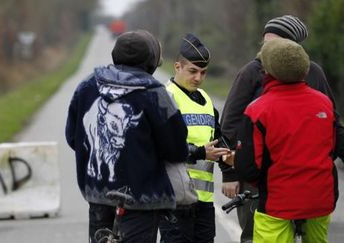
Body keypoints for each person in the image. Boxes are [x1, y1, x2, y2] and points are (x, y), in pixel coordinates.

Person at [219, 15, 344, 243]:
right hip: (261, 173)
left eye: (273, 43)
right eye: (264, 42)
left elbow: (334, 127)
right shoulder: (250, 72)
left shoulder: (314, 73)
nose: (265, 49)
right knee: (251, 233)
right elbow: (230, 123)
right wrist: (230, 173)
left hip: (303, 178)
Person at [65, 30, 189, 243]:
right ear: (150, 61)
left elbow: (73, 137)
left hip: (98, 191)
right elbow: (177, 148)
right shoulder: (156, 94)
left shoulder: (86, 86)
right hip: (143, 198)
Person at [159, 33, 232, 243]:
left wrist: (230, 159)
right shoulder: (166, 97)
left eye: (203, 72)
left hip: (204, 201)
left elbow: (218, 139)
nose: (198, 78)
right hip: (175, 199)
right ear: (177, 67)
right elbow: (164, 146)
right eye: (193, 71)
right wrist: (201, 152)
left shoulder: (207, 100)